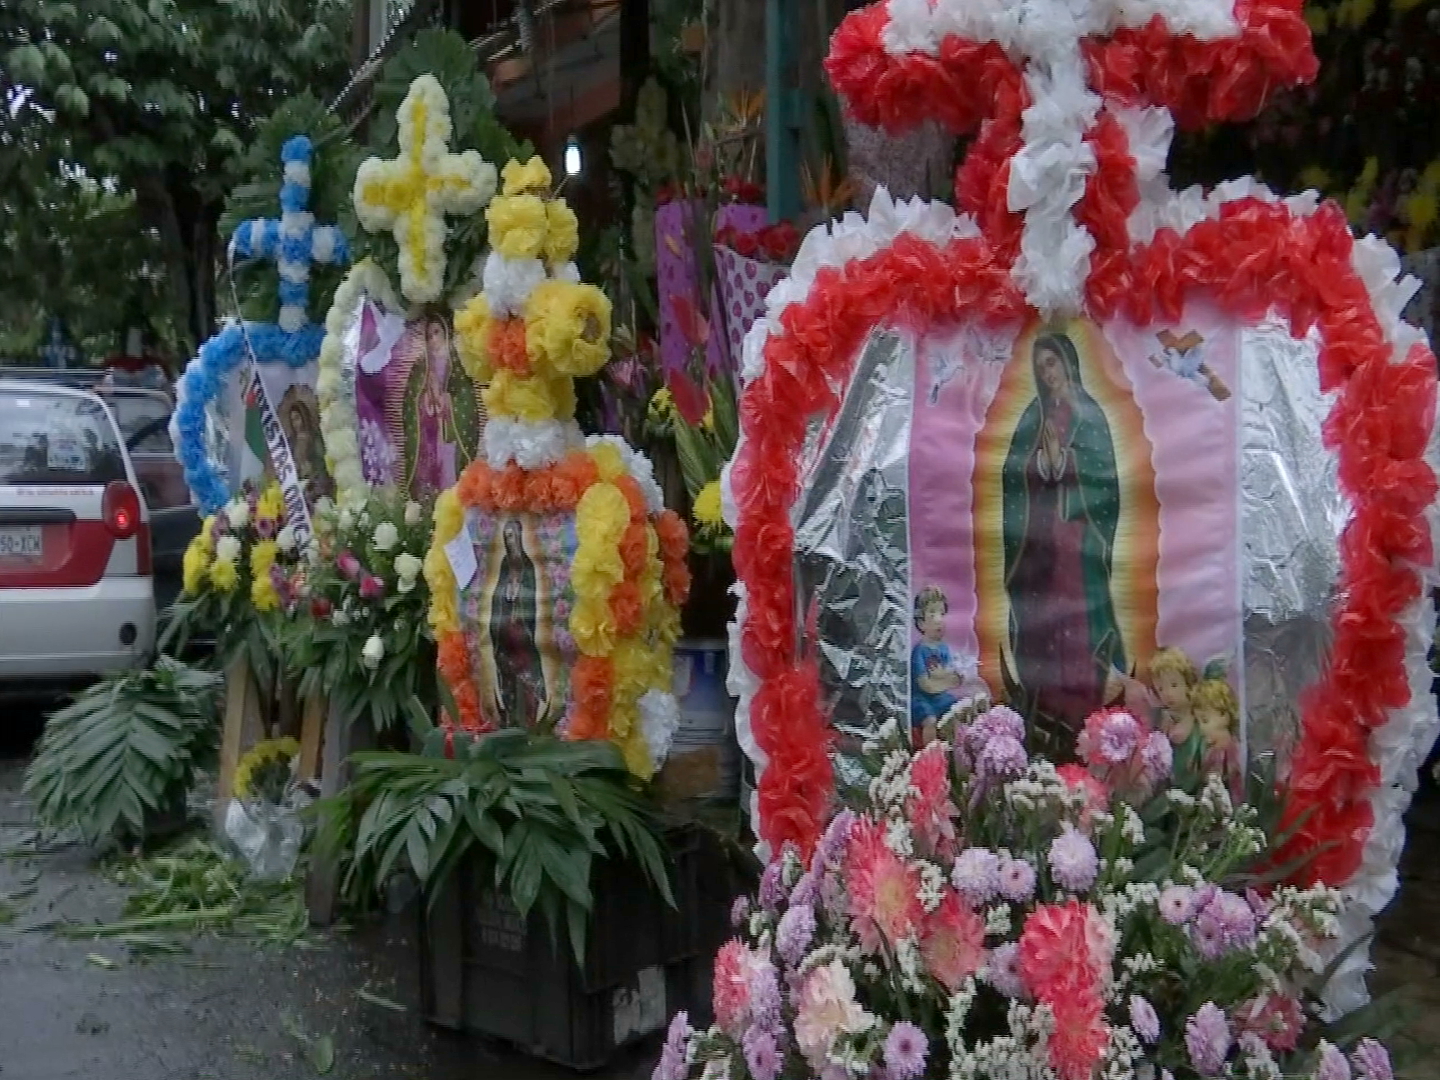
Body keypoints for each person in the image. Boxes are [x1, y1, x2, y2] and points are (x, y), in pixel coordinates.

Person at [1001, 330, 1127, 738]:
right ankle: (1045, 709)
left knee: (1078, 619)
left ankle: (1085, 710)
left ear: (1068, 362)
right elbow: (1013, 477)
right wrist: (1041, 463)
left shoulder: (1090, 414)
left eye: (1051, 363)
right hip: (1039, 543)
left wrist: (1067, 460)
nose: (1047, 373)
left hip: (1078, 538)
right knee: (1043, 619)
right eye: (1040, 368)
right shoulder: (1031, 419)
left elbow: (1105, 479)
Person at [489, 518, 546, 728]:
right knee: (508, 679)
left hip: (522, 635)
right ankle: (511, 721)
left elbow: (531, 599)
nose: (510, 541)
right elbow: (497, 595)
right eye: (506, 537)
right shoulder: (505, 564)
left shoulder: (527, 566)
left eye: (512, 536)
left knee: (526, 678)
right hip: (505, 636)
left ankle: (530, 721)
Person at [910, 586, 962, 748]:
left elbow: (953, 678)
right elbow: (926, 685)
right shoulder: (919, 651)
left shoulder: (944, 648)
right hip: (921, 700)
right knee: (930, 720)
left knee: (958, 710)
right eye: (932, 614)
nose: (939, 619)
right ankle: (930, 755)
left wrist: (949, 678)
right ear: (921, 623)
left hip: (939, 697)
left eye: (941, 613)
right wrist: (947, 680)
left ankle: (955, 751)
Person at [1150, 646, 1203, 777]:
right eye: (1161, 689)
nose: (1167, 694)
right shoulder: (1164, 719)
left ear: (1188, 683)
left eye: (1174, 685)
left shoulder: (1199, 715)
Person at [1194, 677, 1243, 800]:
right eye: (1198, 721)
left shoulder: (1231, 750)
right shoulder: (1212, 751)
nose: (1201, 727)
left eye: (1205, 720)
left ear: (1224, 716)